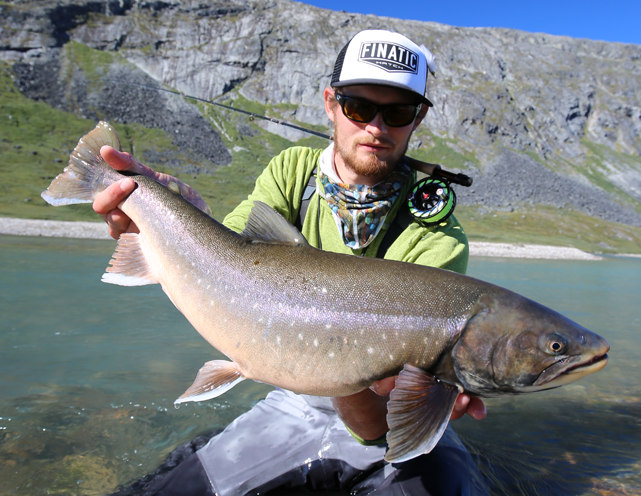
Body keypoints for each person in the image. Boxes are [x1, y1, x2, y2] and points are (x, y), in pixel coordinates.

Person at [96, 30, 489, 495]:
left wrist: (344, 362)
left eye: (398, 112)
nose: (376, 127)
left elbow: (375, 429)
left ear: (418, 118)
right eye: (359, 108)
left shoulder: (438, 236)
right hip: (292, 399)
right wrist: (171, 210)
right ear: (330, 104)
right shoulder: (293, 171)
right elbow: (229, 257)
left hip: (383, 420)